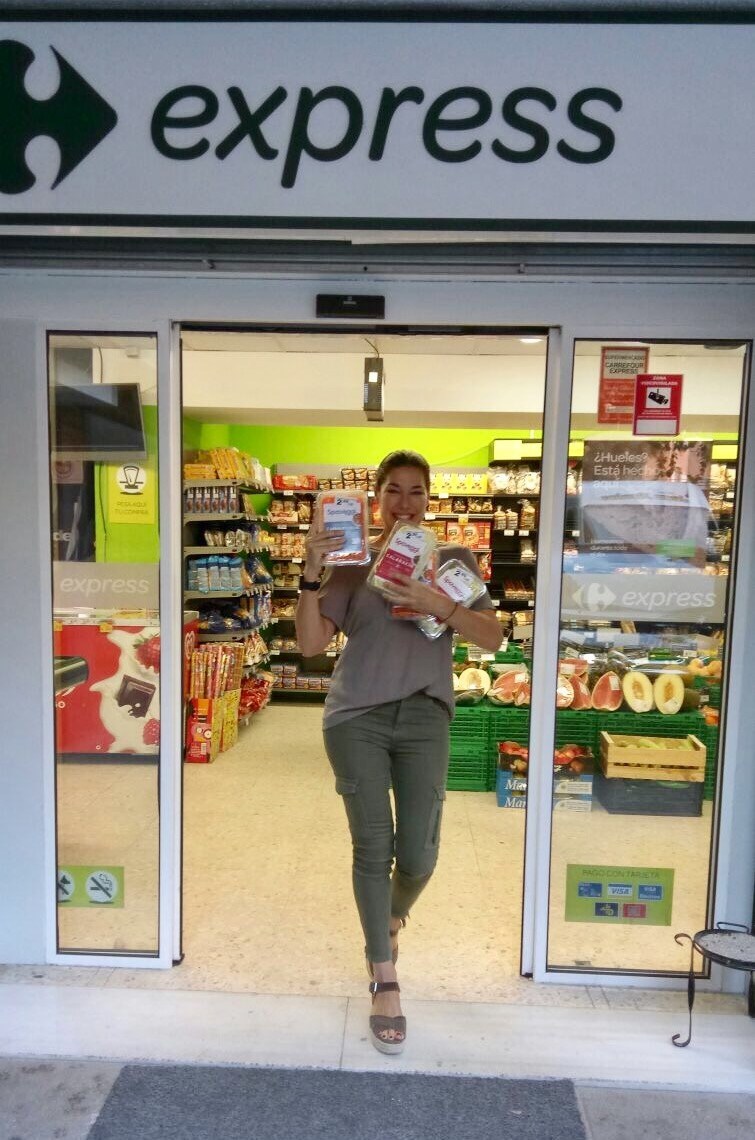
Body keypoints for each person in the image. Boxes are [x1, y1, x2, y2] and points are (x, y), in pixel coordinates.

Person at [295, 450, 502, 1054]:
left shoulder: (453, 561)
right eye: (394, 491)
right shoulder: (351, 560)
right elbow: (310, 644)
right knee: (372, 846)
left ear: (429, 500)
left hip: (424, 715)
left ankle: (389, 917)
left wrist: (443, 606)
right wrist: (310, 571)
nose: (404, 503)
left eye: (416, 492)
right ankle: (384, 975)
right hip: (355, 717)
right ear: (377, 498)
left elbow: (492, 637)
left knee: (419, 856)